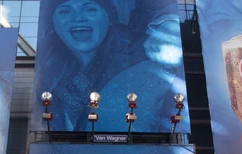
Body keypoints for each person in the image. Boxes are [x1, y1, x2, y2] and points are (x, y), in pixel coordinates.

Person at [34, 0, 188, 133]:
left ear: (109, 17)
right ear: (53, 23)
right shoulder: (48, 76)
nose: (78, 18)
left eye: (89, 9)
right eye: (65, 12)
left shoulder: (145, 66)